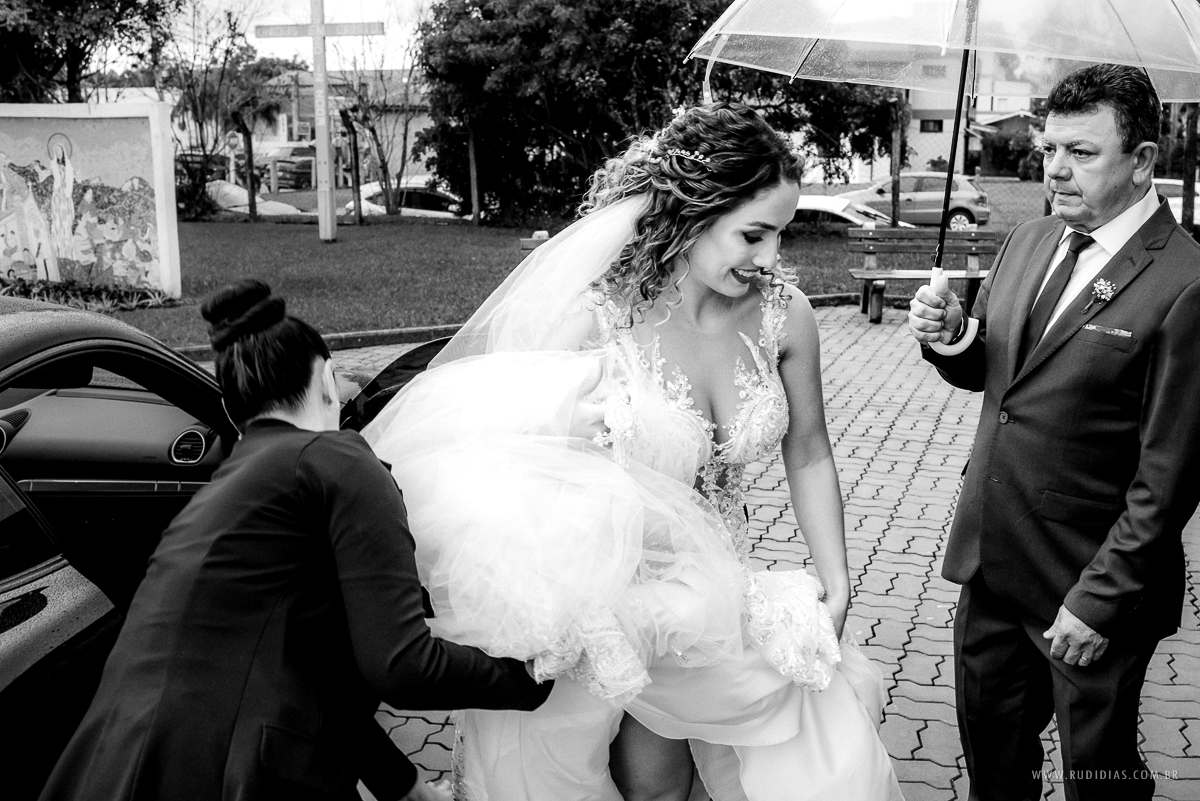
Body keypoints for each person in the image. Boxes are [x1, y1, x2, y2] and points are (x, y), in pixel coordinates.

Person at [365, 103, 902, 800]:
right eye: (753, 234)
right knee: (627, 784)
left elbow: (809, 452)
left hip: (714, 595)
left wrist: (838, 578)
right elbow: (502, 455)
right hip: (608, 601)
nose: (770, 257)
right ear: (693, 214)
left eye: (781, 233)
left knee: (739, 771)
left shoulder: (786, 316)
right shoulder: (597, 316)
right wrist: (562, 430)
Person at [40, 280, 553, 801]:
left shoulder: (224, 495)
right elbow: (401, 665)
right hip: (239, 769)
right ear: (329, 380)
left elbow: (315, 663)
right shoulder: (338, 460)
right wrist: (532, 677)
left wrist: (405, 785)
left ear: (233, 411)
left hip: (115, 762)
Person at [909, 64, 1200, 801]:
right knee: (995, 774)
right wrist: (954, 337)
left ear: (1142, 161)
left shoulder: (1187, 282)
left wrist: (1101, 599)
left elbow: (1170, 475)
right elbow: (1003, 378)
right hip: (990, 565)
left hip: (1090, 586)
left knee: (1098, 780)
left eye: (1082, 152)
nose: (1057, 170)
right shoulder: (1030, 239)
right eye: (1048, 150)